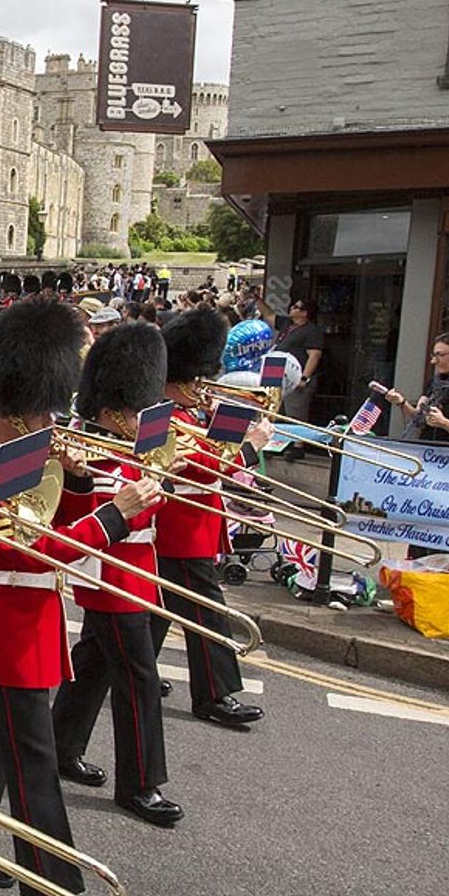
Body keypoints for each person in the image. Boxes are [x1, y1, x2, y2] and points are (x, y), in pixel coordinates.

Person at [0, 296, 157, 896]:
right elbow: (20, 549)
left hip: (28, 620)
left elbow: (50, 524)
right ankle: (53, 884)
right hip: (9, 624)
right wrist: (111, 519)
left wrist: (80, 484)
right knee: (32, 767)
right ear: (16, 410)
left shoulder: (33, 456)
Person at [53, 322, 183, 828]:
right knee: (140, 680)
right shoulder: (100, 456)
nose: (140, 417)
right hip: (114, 579)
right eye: (132, 410)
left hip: (134, 575)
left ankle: (63, 744)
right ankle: (140, 784)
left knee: (93, 664)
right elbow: (125, 516)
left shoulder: (130, 450)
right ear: (109, 412)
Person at [154, 307, 270, 728]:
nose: (202, 388)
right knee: (207, 615)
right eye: (196, 381)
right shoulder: (167, 416)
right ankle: (215, 694)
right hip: (179, 531)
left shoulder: (185, 413)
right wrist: (252, 446)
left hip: (192, 527)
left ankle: (138, 673)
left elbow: (211, 456)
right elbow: (206, 467)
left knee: (156, 610)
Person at [385, 333, 449, 443]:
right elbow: (418, 417)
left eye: (440, 355)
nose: (434, 361)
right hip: (425, 451)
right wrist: (402, 402)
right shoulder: (435, 384)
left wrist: (445, 423)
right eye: (433, 356)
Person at [276, 297, 323, 423]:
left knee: (295, 418)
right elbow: (269, 315)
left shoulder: (311, 331)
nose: (291, 308)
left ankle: (297, 443)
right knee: (275, 415)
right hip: (279, 377)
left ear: (304, 313)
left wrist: (303, 378)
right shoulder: (287, 324)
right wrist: (258, 299)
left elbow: (314, 355)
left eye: (296, 307)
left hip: (295, 379)